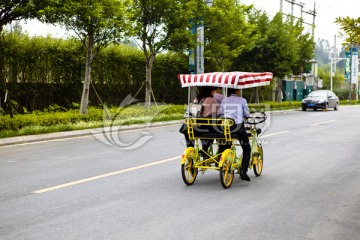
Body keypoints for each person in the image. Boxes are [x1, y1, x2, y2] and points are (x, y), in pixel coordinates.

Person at [219, 88, 251, 181]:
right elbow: (246, 113)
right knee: (246, 148)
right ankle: (243, 171)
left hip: (226, 128)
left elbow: (221, 113)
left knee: (226, 144)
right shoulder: (242, 100)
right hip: (238, 128)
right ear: (237, 91)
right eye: (239, 90)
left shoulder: (224, 100)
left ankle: (225, 160)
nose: (240, 92)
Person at [181, 86, 220, 152]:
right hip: (204, 127)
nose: (214, 92)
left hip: (191, 126)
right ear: (210, 91)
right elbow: (217, 113)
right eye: (214, 90)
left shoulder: (196, 99)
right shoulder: (211, 100)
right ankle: (204, 150)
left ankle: (190, 150)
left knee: (190, 136)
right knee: (213, 131)